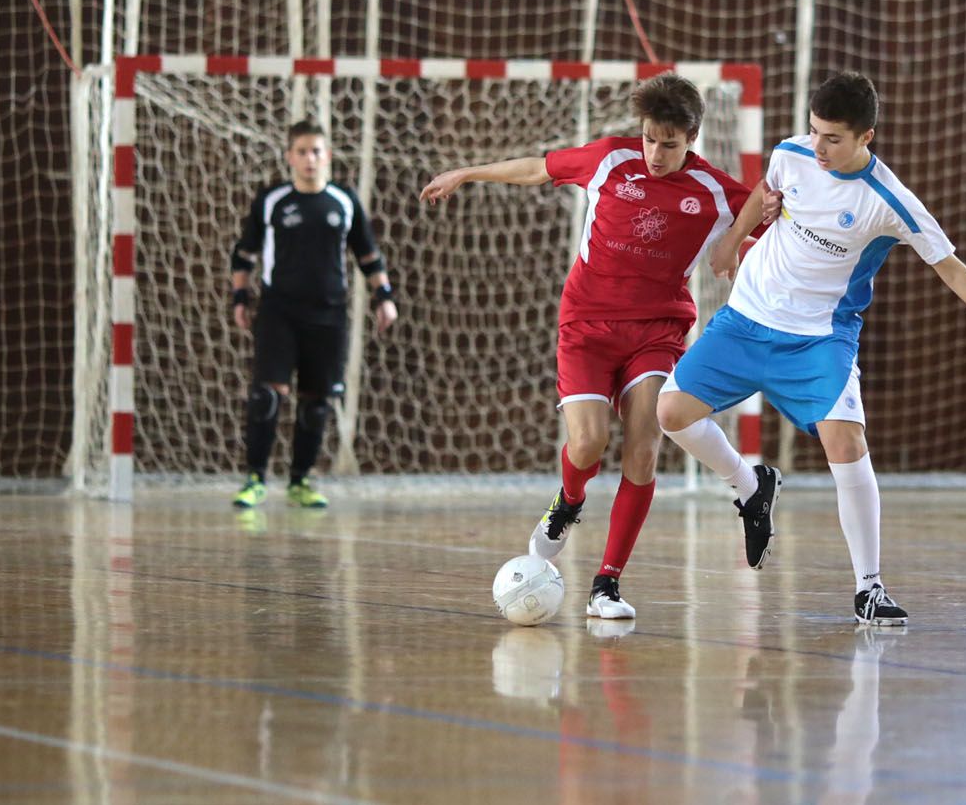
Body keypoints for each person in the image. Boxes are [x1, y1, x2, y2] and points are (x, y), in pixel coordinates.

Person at [656, 71, 966, 626]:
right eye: (814, 131)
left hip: (820, 339)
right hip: (746, 319)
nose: (818, 147)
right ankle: (752, 487)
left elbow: (951, 269)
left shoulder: (889, 200)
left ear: (866, 137)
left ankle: (869, 587)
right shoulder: (792, 153)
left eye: (833, 138)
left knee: (845, 446)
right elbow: (764, 194)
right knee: (671, 412)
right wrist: (731, 243)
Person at [420, 73, 764, 621]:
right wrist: (469, 172)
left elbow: (773, 225)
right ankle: (570, 500)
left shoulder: (718, 192)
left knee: (645, 446)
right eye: (650, 137)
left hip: (657, 330)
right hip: (587, 326)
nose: (655, 152)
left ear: (692, 138)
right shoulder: (609, 160)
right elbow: (538, 168)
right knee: (587, 444)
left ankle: (606, 583)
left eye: (669, 143)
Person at [230, 119, 398, 510]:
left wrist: (383, 298)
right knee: (267, 396)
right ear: (290, 157)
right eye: (302, 151)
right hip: (278, 311)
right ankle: (255, 478)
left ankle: (300, 481)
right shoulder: (272, 201)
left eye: (316, 151)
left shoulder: (344, 201)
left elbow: (368, 255)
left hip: (329, 315)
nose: (310, 158)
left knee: (317, 401)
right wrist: (240, 297)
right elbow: (244, 254)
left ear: (328, 156)